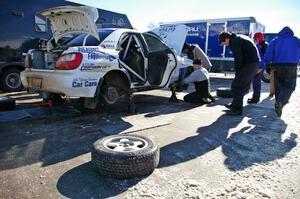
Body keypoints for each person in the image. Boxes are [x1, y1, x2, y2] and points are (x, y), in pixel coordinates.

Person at [219, 31, 260, 115]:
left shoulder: (235, 42)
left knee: (237, 86)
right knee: (240, 86)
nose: (224, 45)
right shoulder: (237, 38)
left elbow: (238, 57)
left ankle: (237, 109)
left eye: (224, 43)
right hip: (252, 64)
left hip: (249, 64)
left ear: (227, 39)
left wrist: (237, 70)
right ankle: (234, 105)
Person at [264, 26, 300, 117]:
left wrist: (268, 63)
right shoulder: (296, 40)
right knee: (290, 86)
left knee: (279, 86)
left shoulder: (276, 40)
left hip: (277, 66)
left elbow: (268, 52)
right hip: (291, 66)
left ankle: (278, 104)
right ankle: (280, 103)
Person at [247, 32, 268, 103]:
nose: (254, 40)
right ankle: (255, 97)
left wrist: (261, 68)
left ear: (259, 38)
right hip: (257, 66)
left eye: (255, 38)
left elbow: (265, 58)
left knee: (256, 82)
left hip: (260, 67)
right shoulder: (259, 45)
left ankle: (255, 99)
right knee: (255, 82)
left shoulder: (264, 45)